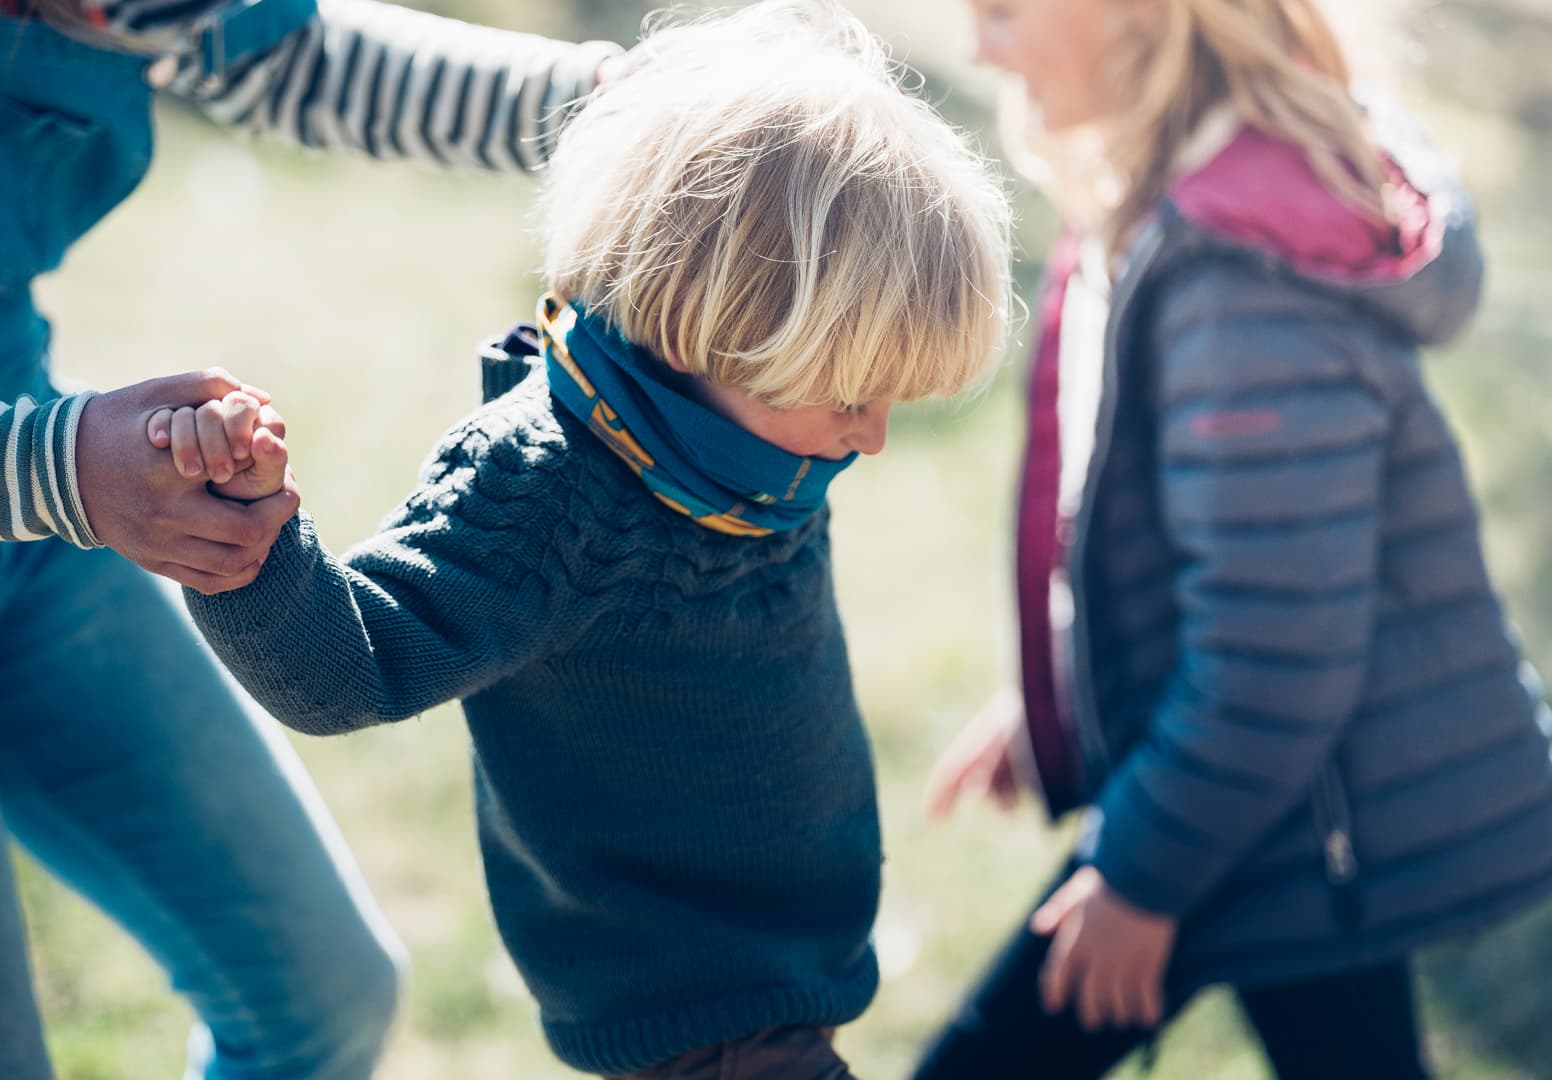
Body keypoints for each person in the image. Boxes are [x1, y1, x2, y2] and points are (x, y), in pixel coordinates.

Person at [0, 1, 622, 1077]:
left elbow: (285, 54)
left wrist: (624, 106)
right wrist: (60, 470)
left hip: (24, 503)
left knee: (326, 997)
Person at [162, 3, 1014, 1075]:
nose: (875, 439)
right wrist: (243, 537)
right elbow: (349, 669)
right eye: (855, 396)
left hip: (788, 984)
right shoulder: (552, 493)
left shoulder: (761, 439)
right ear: (721, 323)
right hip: (695, 1028)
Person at [914, 1, 1552, 1077]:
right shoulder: (1181, 213)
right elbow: (1183, 553)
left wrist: (1143, 876)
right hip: (1262, 809)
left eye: (1004, 10)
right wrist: (1063, 697)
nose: (977, 44)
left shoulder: (1237, 281)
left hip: (1272, 827)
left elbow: (1278, 649)